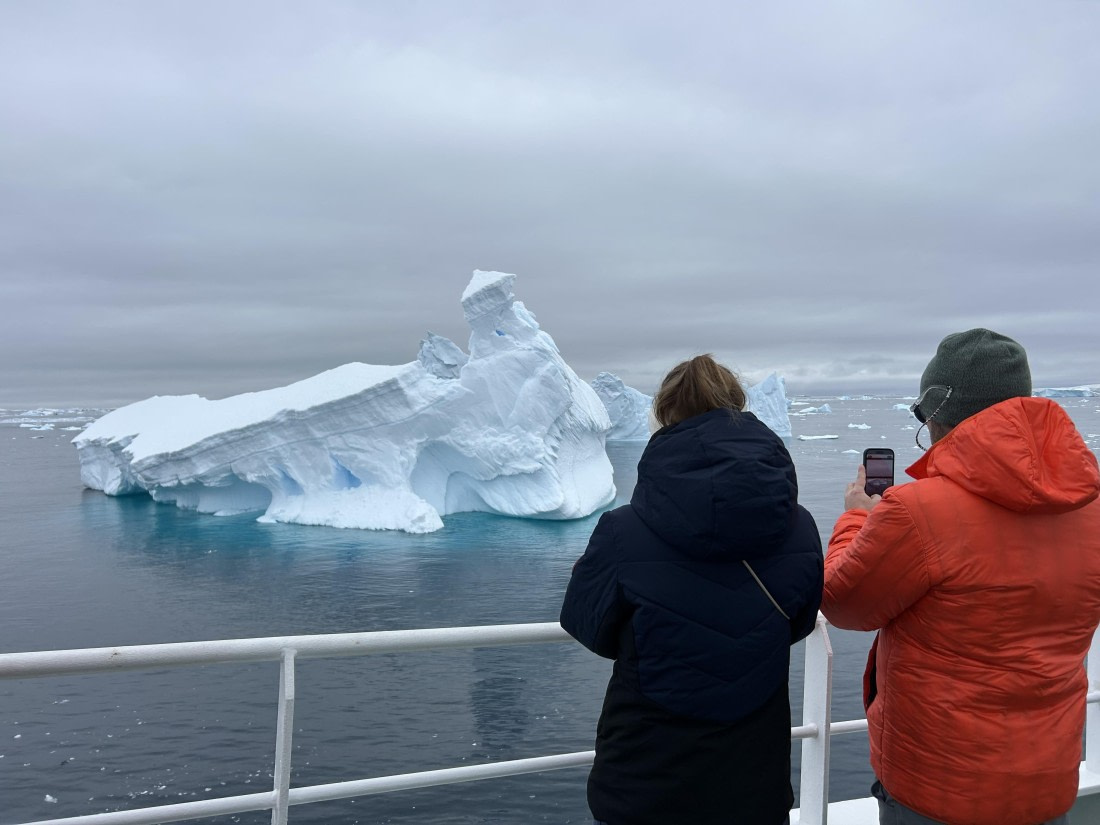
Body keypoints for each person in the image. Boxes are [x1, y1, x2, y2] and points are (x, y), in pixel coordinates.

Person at [822, 328, 1100, 825]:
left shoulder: (916, 511)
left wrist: (858, 519)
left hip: (938, 786)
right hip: (1047, 777)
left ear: (939, 410)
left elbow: (843, 604)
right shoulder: (1091, 507)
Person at [560, 354, 824, 825]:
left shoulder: (623, 530)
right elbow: (799, 622)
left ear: (663, 416)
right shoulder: (799, 527)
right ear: (740, 407)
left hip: (646, 781)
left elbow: (588, 628)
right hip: (753, 782)